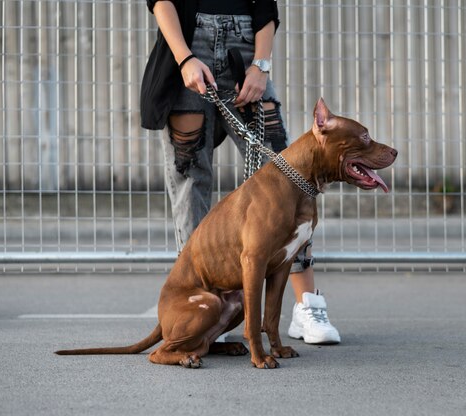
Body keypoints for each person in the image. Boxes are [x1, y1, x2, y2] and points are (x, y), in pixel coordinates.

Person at [140, 0, 340, 345]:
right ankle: (203, 303)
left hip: (246, 51)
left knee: (290, 176)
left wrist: (261, 65)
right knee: (190, 178)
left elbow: (266, 7)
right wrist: (184, 57)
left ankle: (307, 304)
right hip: (189, 45)